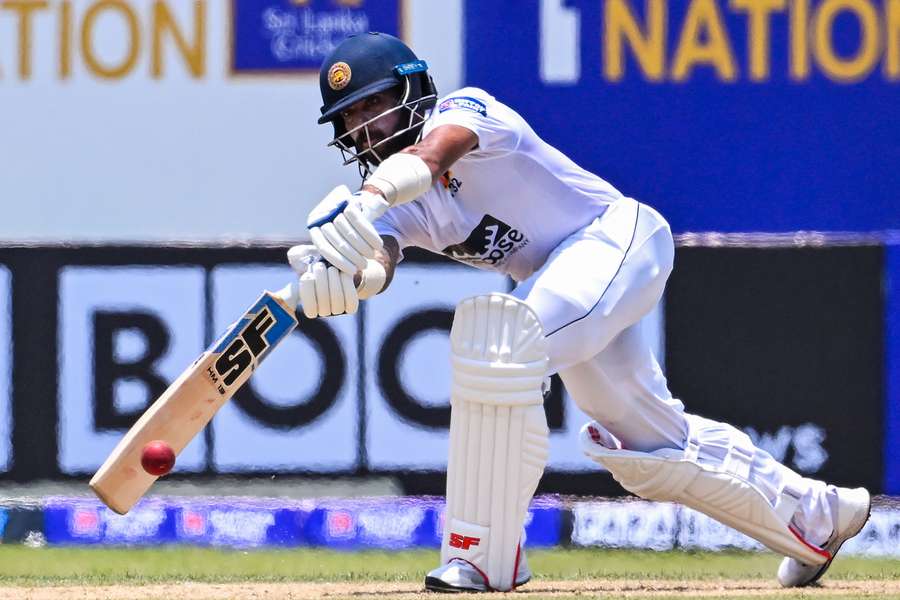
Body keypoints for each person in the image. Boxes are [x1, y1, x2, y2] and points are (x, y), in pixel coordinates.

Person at [287, 32, 871, 593]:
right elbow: (383, 258)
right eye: (348, 120)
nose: (362, 131)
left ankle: (483, 554)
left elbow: (431, 155)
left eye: (375, 107)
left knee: (505, 349)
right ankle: (817, 514)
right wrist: (352, 277)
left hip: (617, 238)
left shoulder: (465, 111)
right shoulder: (398, 208)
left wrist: (365, 202)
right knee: (645, 448)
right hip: (560, 282)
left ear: (414, 91)